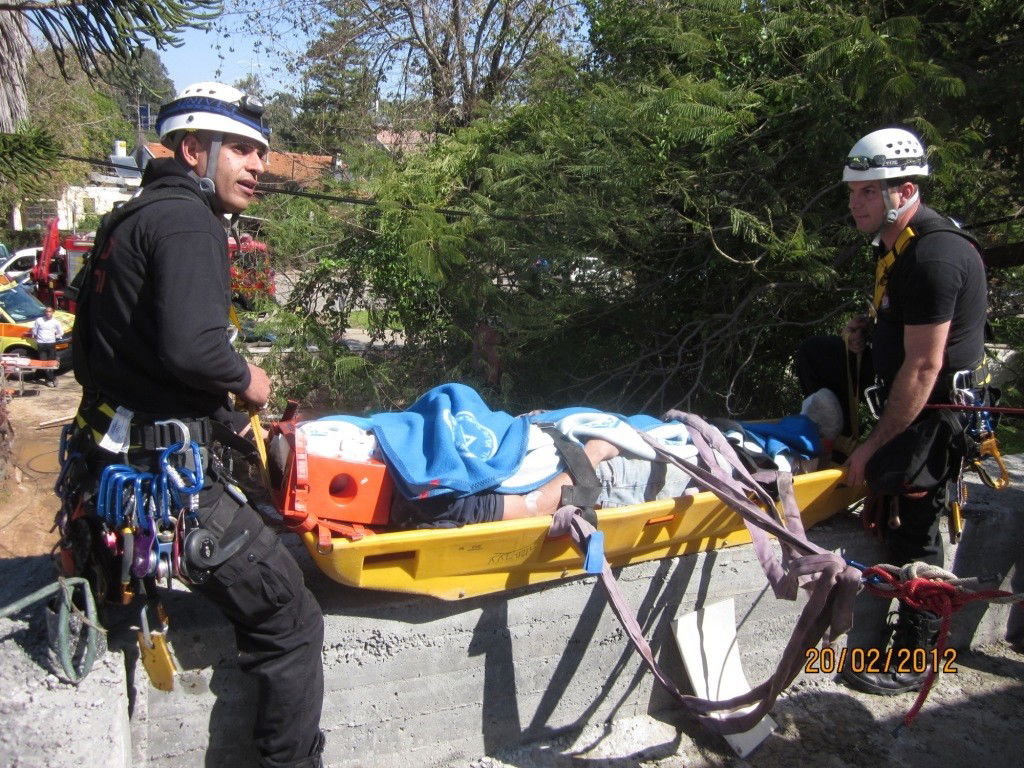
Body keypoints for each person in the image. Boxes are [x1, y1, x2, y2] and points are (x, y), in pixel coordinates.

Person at [69, 82, 325, 767]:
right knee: (292, 617)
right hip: (163, 486)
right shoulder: (189, 222)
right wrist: (250, 382)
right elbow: (194, 349)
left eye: (262, 153)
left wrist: (220, 420)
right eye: (241, 150)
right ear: (193, 149)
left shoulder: (130, 217)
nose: (259, 167)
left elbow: (106, 355)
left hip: (109, 470)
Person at [795, 127, 988, 695]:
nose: (854, 203)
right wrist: (869, 335)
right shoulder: (896, 245)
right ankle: (836, 442)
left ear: (903, 191)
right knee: (817, 354)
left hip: (932, 411)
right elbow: (902, 333)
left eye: (866, 193)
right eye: (852, 191)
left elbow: (925, 370)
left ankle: (918, 654)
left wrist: (876, 447)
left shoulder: (934, 256)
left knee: (912, 520)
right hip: (900, 386)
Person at [30, 306, 62, 387]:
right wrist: (36, 338)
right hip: (41, 344)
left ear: (53, 312)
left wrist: (55, 336)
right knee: (43, 363)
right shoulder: (39, 320)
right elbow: (34, 331)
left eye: (50, 311)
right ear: (44, 312)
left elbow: (61, 332)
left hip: (51, 344)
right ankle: (51, 379)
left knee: (51, 363)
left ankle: (49, 379)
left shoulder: (56, 322)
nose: (48, 313)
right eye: (46, 311)